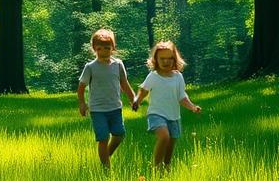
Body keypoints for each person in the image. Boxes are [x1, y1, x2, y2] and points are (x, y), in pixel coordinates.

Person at [131, 40, 201, 169]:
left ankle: (166, 166)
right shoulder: (153, 76)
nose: (166, 61)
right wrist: (137, 101)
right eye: (162, 58)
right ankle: (156, 168)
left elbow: (182, 96)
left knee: (171, 143)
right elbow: (144, 91)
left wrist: (192, 106)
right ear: (155, 59)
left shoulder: (178, 77)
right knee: (164, 136)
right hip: (156, 114)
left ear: (175, 59)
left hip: (174, 116)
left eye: (169, 58)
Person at [77, 28, 136, 169]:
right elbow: (81, 87)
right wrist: (82, 104)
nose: (104, 52)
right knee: (103, 138)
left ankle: (105, 156)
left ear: (113, 48)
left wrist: (133, 98)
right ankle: (106, 168)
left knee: (119, 135)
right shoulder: (90, 67)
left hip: (115, 107)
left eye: (107, 48)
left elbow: (124, 83)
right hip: (98, 110)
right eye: (100, 49)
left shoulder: (118, 65)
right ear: (94, 49)